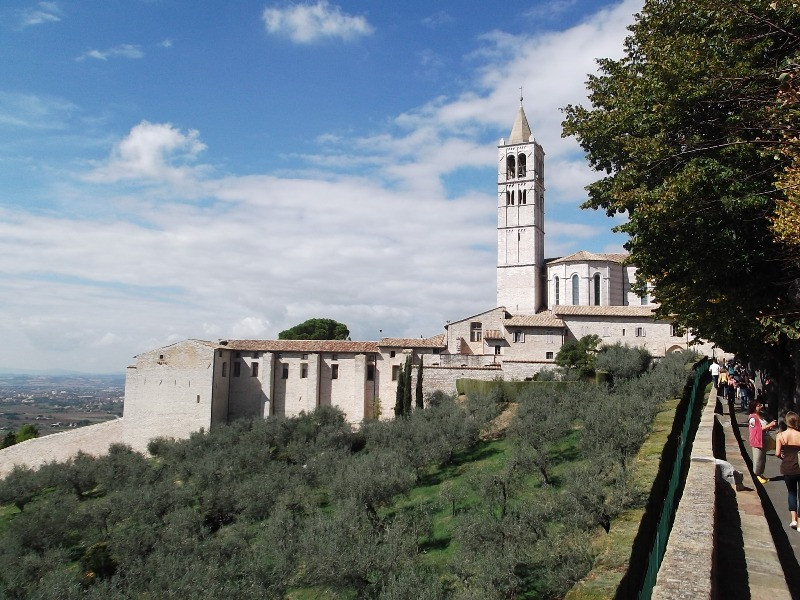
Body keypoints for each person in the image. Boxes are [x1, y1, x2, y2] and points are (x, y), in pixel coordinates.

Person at [775, 411, 800, 529]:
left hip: (788, 468)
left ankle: (793, 519)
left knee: (792, 493)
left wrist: (782, 457)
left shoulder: (780, 436)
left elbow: (777, 453)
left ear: (786, 421)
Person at [749, 398, 777, 484]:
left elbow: (763, 427)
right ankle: (757, 475)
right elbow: (758, 430)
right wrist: (770, 425)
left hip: (763, 439)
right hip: (757, 440)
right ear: (754, 407)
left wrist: (769, 426)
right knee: (758, 458)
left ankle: (760, 474)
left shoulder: (760, 415)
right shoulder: (752, 418)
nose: (761, 406)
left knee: (762, 459)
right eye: (759, 405)